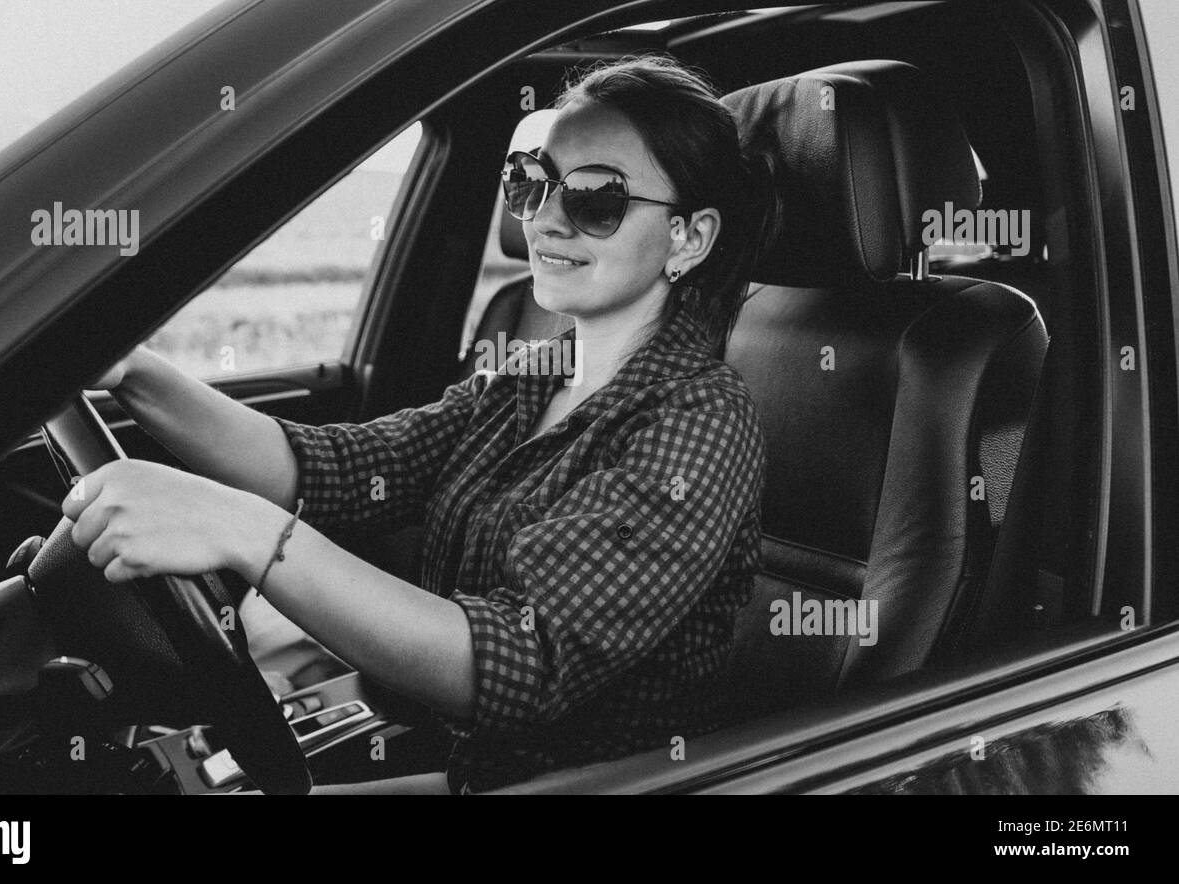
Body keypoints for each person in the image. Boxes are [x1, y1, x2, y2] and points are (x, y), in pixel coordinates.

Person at [67, 54, 776, 794]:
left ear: (689, 238)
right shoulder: (532, 375)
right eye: (530, 185)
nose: (545, 220)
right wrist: (135, 373)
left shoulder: (702, 419)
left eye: (597, 197)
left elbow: (511, 662)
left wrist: (244, 533)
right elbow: (335, 469)